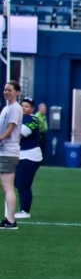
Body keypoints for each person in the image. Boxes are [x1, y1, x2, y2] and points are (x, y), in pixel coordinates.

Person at [14, 97, 42, 219]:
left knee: (23, 184)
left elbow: (22, 133)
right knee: (19, 183)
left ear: (32, 109)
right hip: (23, 154)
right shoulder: (21, 118)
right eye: (22, 105)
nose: (23, 108)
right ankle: (23, 209)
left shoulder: (32, 119)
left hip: (30, 155)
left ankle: (25, 211)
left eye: (27, 106)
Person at [0, 81, 22, 230]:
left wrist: (0, 139)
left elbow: (11, 128)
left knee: (8, 186)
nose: (7, 92)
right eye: (5, 89)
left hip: (8, 152)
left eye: (10, 90)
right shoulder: (6, 108)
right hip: (3, 151)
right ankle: (9, 219)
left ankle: (11, 219)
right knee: (6, 186)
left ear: (17, 92)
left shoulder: (15, 108)